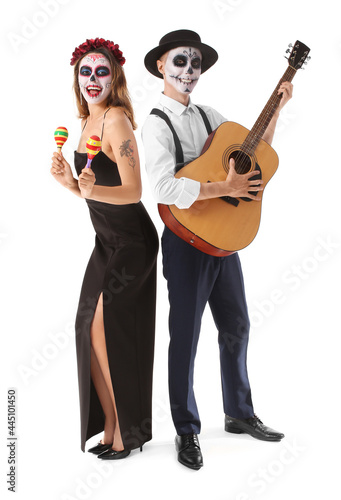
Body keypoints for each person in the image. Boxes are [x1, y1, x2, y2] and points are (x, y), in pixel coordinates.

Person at [142, 29, 292, 470]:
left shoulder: (212, 117)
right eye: (180, 62)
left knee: (237, 325)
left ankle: (238, 413)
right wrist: (223, 186)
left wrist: (278, 109)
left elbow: (256, 152)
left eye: (196, 64)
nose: (189, 71)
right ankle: (186, 431)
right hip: (185, 244)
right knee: (185, 338)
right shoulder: (155, 123)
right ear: (160, 67)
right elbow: (164, 188)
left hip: (224, 239)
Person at [50, 38, 158, 460]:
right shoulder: (84, 121)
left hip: (133, 242)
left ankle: (126, 431)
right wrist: (69, 185)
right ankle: (112, 423)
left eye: (101, 71)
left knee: (104, 329)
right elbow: (94, 193)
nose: (92, 79)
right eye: (85, 72)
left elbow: (132, 192)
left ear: (115, 76)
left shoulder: (116, 122)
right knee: (86, 329)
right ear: (76, 78)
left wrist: (87, 188)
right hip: (106, 240)